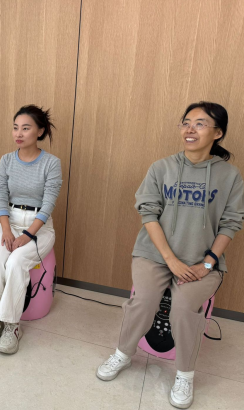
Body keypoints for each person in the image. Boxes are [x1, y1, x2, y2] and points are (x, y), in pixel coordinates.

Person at [96, 102, 244, 409]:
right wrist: (171, 260)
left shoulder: (230, 176)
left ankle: (185, 375)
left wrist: (207, 263)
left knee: (184, 308)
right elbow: (148, 214)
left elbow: (231, 223)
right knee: (144, 300)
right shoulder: (161, 168)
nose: (190, 129)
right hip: (154, 255)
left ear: (218, 133)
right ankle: (122, 354)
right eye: (186, 122)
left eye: (200, 124)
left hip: (202, 261)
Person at [0, 105, 62, 354]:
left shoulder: (51, 163)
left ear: (40, 131)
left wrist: (28, 235)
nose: (19, 133)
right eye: (16, 128)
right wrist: (6, 230)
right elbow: (1, 196)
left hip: (39, 226)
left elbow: (49, 203)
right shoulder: (6, 160)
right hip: (11, 221)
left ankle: (12, 326)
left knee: (15, 263)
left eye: (26, 128)